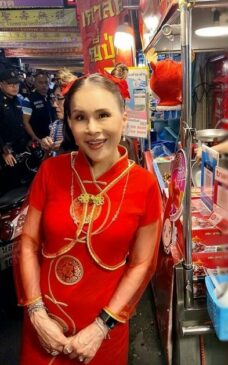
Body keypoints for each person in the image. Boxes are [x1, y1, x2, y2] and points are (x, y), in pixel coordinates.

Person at [13, 73, 163, 364]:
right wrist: (36, 312)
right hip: (43, 326)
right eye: (80, 117)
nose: (92, 129)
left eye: (103, 115)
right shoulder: (51, 172)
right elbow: (28, 242)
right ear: (69, 122)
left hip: (102, 334)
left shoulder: (144, 185)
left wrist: (100, 327)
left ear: (123, 116)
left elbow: (143, 263)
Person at [0, 69, 32, 193]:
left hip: (20, 147)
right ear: (1, 84)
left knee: (22, 182)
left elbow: (20, 124)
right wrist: (4, 151)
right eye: (10, 84)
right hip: (6, 152)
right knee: (10, 186)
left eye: (16, 84)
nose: (15, 87)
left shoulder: (18, 100)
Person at [24, 73, 57, 142]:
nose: (44, 85)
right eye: (40, 82)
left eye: (46, 82)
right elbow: (25, 122)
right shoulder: (29, 99)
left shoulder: (53, 95)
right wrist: (35, 138)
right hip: (39, 138)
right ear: (35, 83)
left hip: (53, 137)